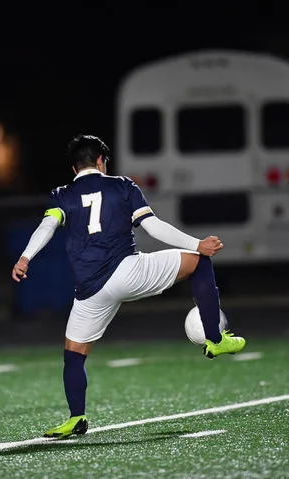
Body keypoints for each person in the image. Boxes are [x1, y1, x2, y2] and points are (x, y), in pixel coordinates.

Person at [12, 135, 246, 439]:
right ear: (100, 161)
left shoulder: (62, 195)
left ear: (74, 168)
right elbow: (152, 226)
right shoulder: (122, 185)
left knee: (74, 355)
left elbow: (47, 227)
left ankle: (76, 417)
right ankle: (215, 339)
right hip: (127, 272)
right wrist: (197, 244)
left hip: (90, 290)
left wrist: (25, 257)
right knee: (199, 262)